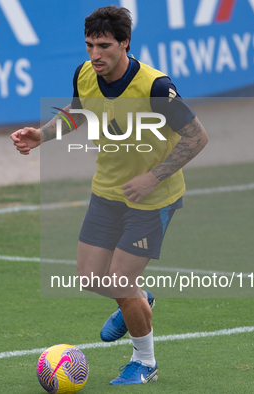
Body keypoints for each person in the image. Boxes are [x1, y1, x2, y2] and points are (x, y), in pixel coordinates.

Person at [11, 5, 208, 385]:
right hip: (107, 190)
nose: (95, 54)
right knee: (89, 278)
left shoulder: (155, 87)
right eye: (89, 45)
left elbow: (197, 136)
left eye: (103, 46)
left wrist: (154, 176)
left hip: (153, 198)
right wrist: (41, 135)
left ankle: (144, 362)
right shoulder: (86, 73)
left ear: (125, 43)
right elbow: (79, 113)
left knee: (119, 281)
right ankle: (140, 298)